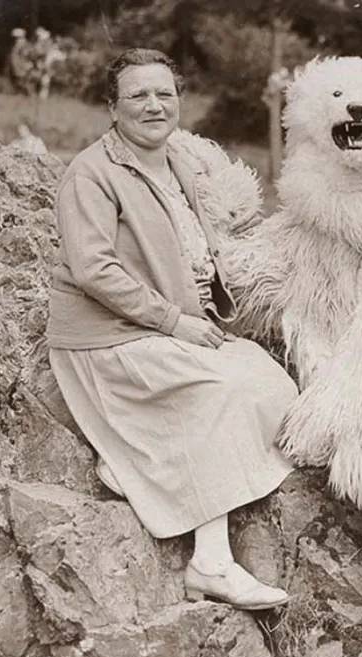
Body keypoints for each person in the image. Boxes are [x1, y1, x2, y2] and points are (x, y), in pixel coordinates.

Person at [46, 48, 298, 610]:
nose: (154, 105)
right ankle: (211, 562)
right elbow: (93, 269)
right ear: (112, 108)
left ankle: (139, 466)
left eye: (165, 93)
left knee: (275, 387)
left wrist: (209, 317)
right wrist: (176, 322)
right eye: (137, 95)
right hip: (109, 336)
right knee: (220, 393)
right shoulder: (91, 173)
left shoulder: (179, 163)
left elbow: (193, 253)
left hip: (170, 328)